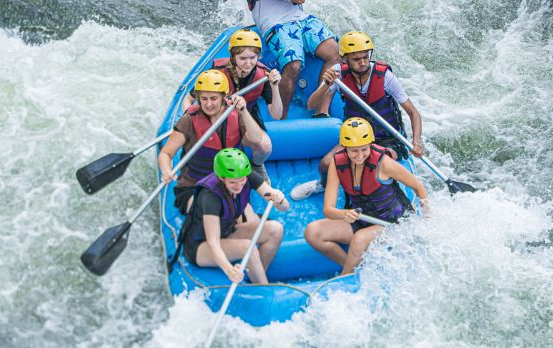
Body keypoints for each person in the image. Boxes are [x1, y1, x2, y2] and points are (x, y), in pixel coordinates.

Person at [291, 30, 425, 200]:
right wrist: (326, 84)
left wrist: (417, 142)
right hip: (354, 137)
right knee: (325, 164)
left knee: (373, 165)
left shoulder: (385, 77)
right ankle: (322, 185)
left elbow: (413, 112)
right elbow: (311, 105)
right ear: (345, 59)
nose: (362, 63)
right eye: (356, 59)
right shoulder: (337, 73)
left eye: (365, 57)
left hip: (388, 139)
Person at [304, 119, 427, 275]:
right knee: (312, 232)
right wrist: (344, 214)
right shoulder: (337, 163)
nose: (360, 156)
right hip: (362, 220)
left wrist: (426, 220)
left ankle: (344, 277)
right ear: (344, 147)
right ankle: (354, 270)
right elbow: (328, 209)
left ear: (370, 145)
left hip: (393, 224)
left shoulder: (384, 164)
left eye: (364, 149)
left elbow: (419, 188)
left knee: (359, 239)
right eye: (354, 151)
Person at [177, 147, 290, 285]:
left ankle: (257, 276)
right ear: (221, 178)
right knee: (248, 247)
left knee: (276, 229)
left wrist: (280, 200)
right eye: (232, 183)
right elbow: (213, 242)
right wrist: (229, 270)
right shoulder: (210, 196)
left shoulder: (247, 176)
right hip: (201, 245)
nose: (239, 186)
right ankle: (264, 287)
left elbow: (283, 207)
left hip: (227, 231)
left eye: (242, 181)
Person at [159, 69, 265, 214]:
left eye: (213, 98)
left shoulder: (235, 112)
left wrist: (244, 111)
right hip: (195, 184)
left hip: (231, 181)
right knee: (208, 214)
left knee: (245, 218)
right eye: (204, 99)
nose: (208, 104)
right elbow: (166, 153)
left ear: (224, 96)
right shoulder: (189, 120)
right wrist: (166, 170)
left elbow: (256, 139)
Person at [183, 29, 282, 179]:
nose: (248, 63)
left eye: (253, 57)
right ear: (233, 57)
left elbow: (277, 115)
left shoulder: (264, 75)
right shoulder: (217, 72)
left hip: (245, 113)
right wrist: (190, 121)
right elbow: (189, 99)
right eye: (242, 58)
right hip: (217, 115)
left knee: (265, 146)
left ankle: (256, 166)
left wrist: (275, 87)